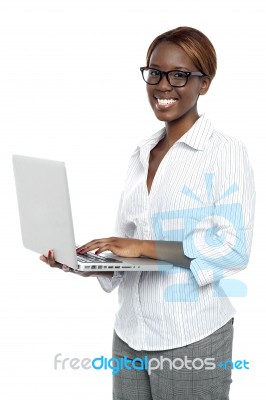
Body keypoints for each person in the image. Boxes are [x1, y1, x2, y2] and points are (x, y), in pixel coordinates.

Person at [40, 26, 255, 400]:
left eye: (179, 75)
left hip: (192, 335)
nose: (163, 86)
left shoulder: (225, 152)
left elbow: (233, 250)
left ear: (204, 84)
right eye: (154, 73)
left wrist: (141, 246)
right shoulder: (141, 154)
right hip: (130, 333)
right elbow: (129, 256)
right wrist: (84, 262)